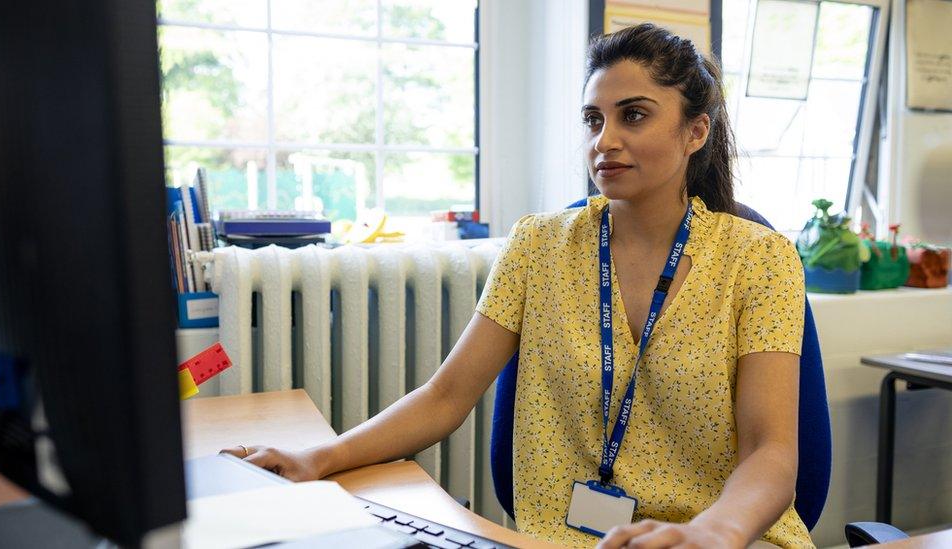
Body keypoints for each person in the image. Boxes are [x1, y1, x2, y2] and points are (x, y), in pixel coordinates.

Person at [222, 24, 812, 549]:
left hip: (717, 537)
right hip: (563, 539)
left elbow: (771, 451)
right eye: (593, 119)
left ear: (695, 132)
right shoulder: (538, 245)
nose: (604, 140)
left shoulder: (759, 259)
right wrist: (316, 457)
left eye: (633, 115)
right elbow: (445, 397)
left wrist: (714, 531)